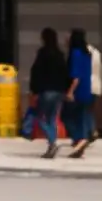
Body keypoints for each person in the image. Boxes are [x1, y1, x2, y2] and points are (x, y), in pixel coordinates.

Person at [29, 27, 70, 156]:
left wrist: (34, 90)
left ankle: (52, 143)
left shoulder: (42, 54)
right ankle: (52, 144)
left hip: (46, 90)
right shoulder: (60, 54)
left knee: (40, 117)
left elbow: (36, 72)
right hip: (59, 91)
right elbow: (65, 73)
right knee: (52, 119)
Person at [67, 28, 96, 155]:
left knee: (67, 116)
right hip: (87, 89)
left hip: (78, 90)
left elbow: (76, 76)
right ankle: (81, 139)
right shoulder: (87, 53)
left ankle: (79, 139)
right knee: (81, 117)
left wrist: (70, 91)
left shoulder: (76, 53)